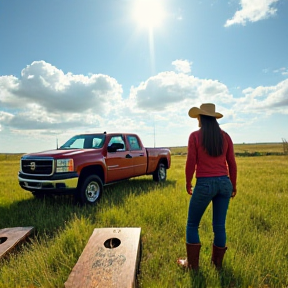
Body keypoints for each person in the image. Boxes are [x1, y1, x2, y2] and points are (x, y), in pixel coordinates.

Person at [177, 103, 237, 271]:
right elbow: (231, 162)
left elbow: (191, 162)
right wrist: (234, 184)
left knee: (192, 224)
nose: (197, 119)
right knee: (219, 226)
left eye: (198, 117)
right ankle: (217, 265)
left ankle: (192, 266)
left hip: (204, 184)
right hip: (224, 183)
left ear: (201, 118)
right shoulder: (225, 136)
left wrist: (188, 182)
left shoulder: (195, 136)